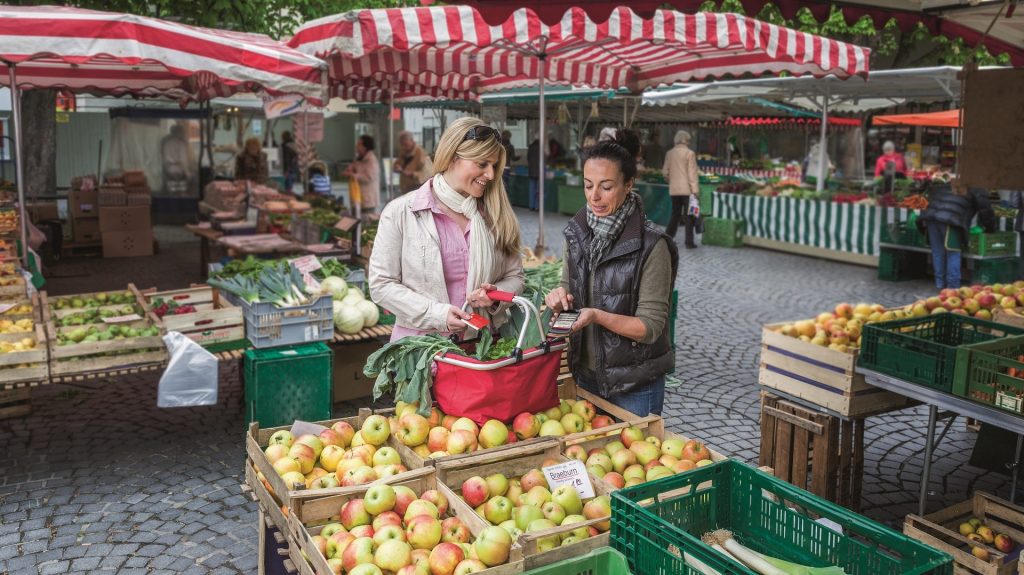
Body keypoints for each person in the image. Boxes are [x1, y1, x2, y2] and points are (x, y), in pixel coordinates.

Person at [544, 133, 678, 416]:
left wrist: (596, 315)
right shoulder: (578, 234)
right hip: (586, 376)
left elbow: (650, 327)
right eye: (588, 185)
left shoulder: (653, 246)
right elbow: (567, 286)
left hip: (635, 383)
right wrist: (559, 298)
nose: (594, 196)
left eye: (606, 187)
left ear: (629, 184)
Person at [369, 117, 525, 342]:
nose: (490, 175)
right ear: (452, 158)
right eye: (482, 164)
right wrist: (437, 314)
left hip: (484, 350)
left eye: (494, 166)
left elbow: (515, 277)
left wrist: (495, 295)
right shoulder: (402, 212)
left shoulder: (496, 215)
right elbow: (381, 285)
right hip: (422, 352)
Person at [917, 183, 996, 289]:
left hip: (931, 218)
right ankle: (953, 287)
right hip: (951, 221)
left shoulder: (948, 184)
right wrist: (991, 229)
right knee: (953, 253)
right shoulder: (978, 188)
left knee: (938, 253)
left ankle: (940, 284)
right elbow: (986, 211)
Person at [663, 129, 700, 248]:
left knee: (675, 215)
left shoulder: (670, 153)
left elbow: (664, 172)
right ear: (684, 140)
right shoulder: (690, 153)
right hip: (687, 190)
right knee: (689, 216)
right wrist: (695, 191)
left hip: (674, 190)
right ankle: (689, 242)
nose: (689, 142)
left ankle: (667, 238)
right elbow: (692, 174)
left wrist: (671, 181)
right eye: (688, 140)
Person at [344, 134, 381, 213]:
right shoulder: (359, 158)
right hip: (357, 197)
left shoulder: (371, 160)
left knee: (366, 222)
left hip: (368, 200)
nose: (356, 146)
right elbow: (353, 167)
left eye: (359, 144)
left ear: (365, 147)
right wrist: (349, 169)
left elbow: (368, 178)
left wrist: (352, 175)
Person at [527, 138, 541, 211]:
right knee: (538, 190)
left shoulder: (531, 147)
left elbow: (528, 158)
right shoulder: (540, 148)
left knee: (532, 189)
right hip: (539, 172)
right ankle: (537, 206)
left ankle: (531, 206)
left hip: (531, 171)